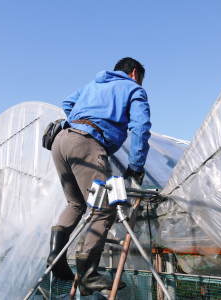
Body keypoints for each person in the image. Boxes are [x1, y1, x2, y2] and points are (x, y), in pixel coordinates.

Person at [47, 57, 151, 295]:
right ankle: (88, 274)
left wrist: (80, 122)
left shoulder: (94, 85)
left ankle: (55, 256)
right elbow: (141, 127)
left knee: (76, 203)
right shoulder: (133, 89)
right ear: (135, 73)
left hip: (61, 141)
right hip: (86, 144)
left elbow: (67, 102)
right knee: (103, 208)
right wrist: (135, 166)